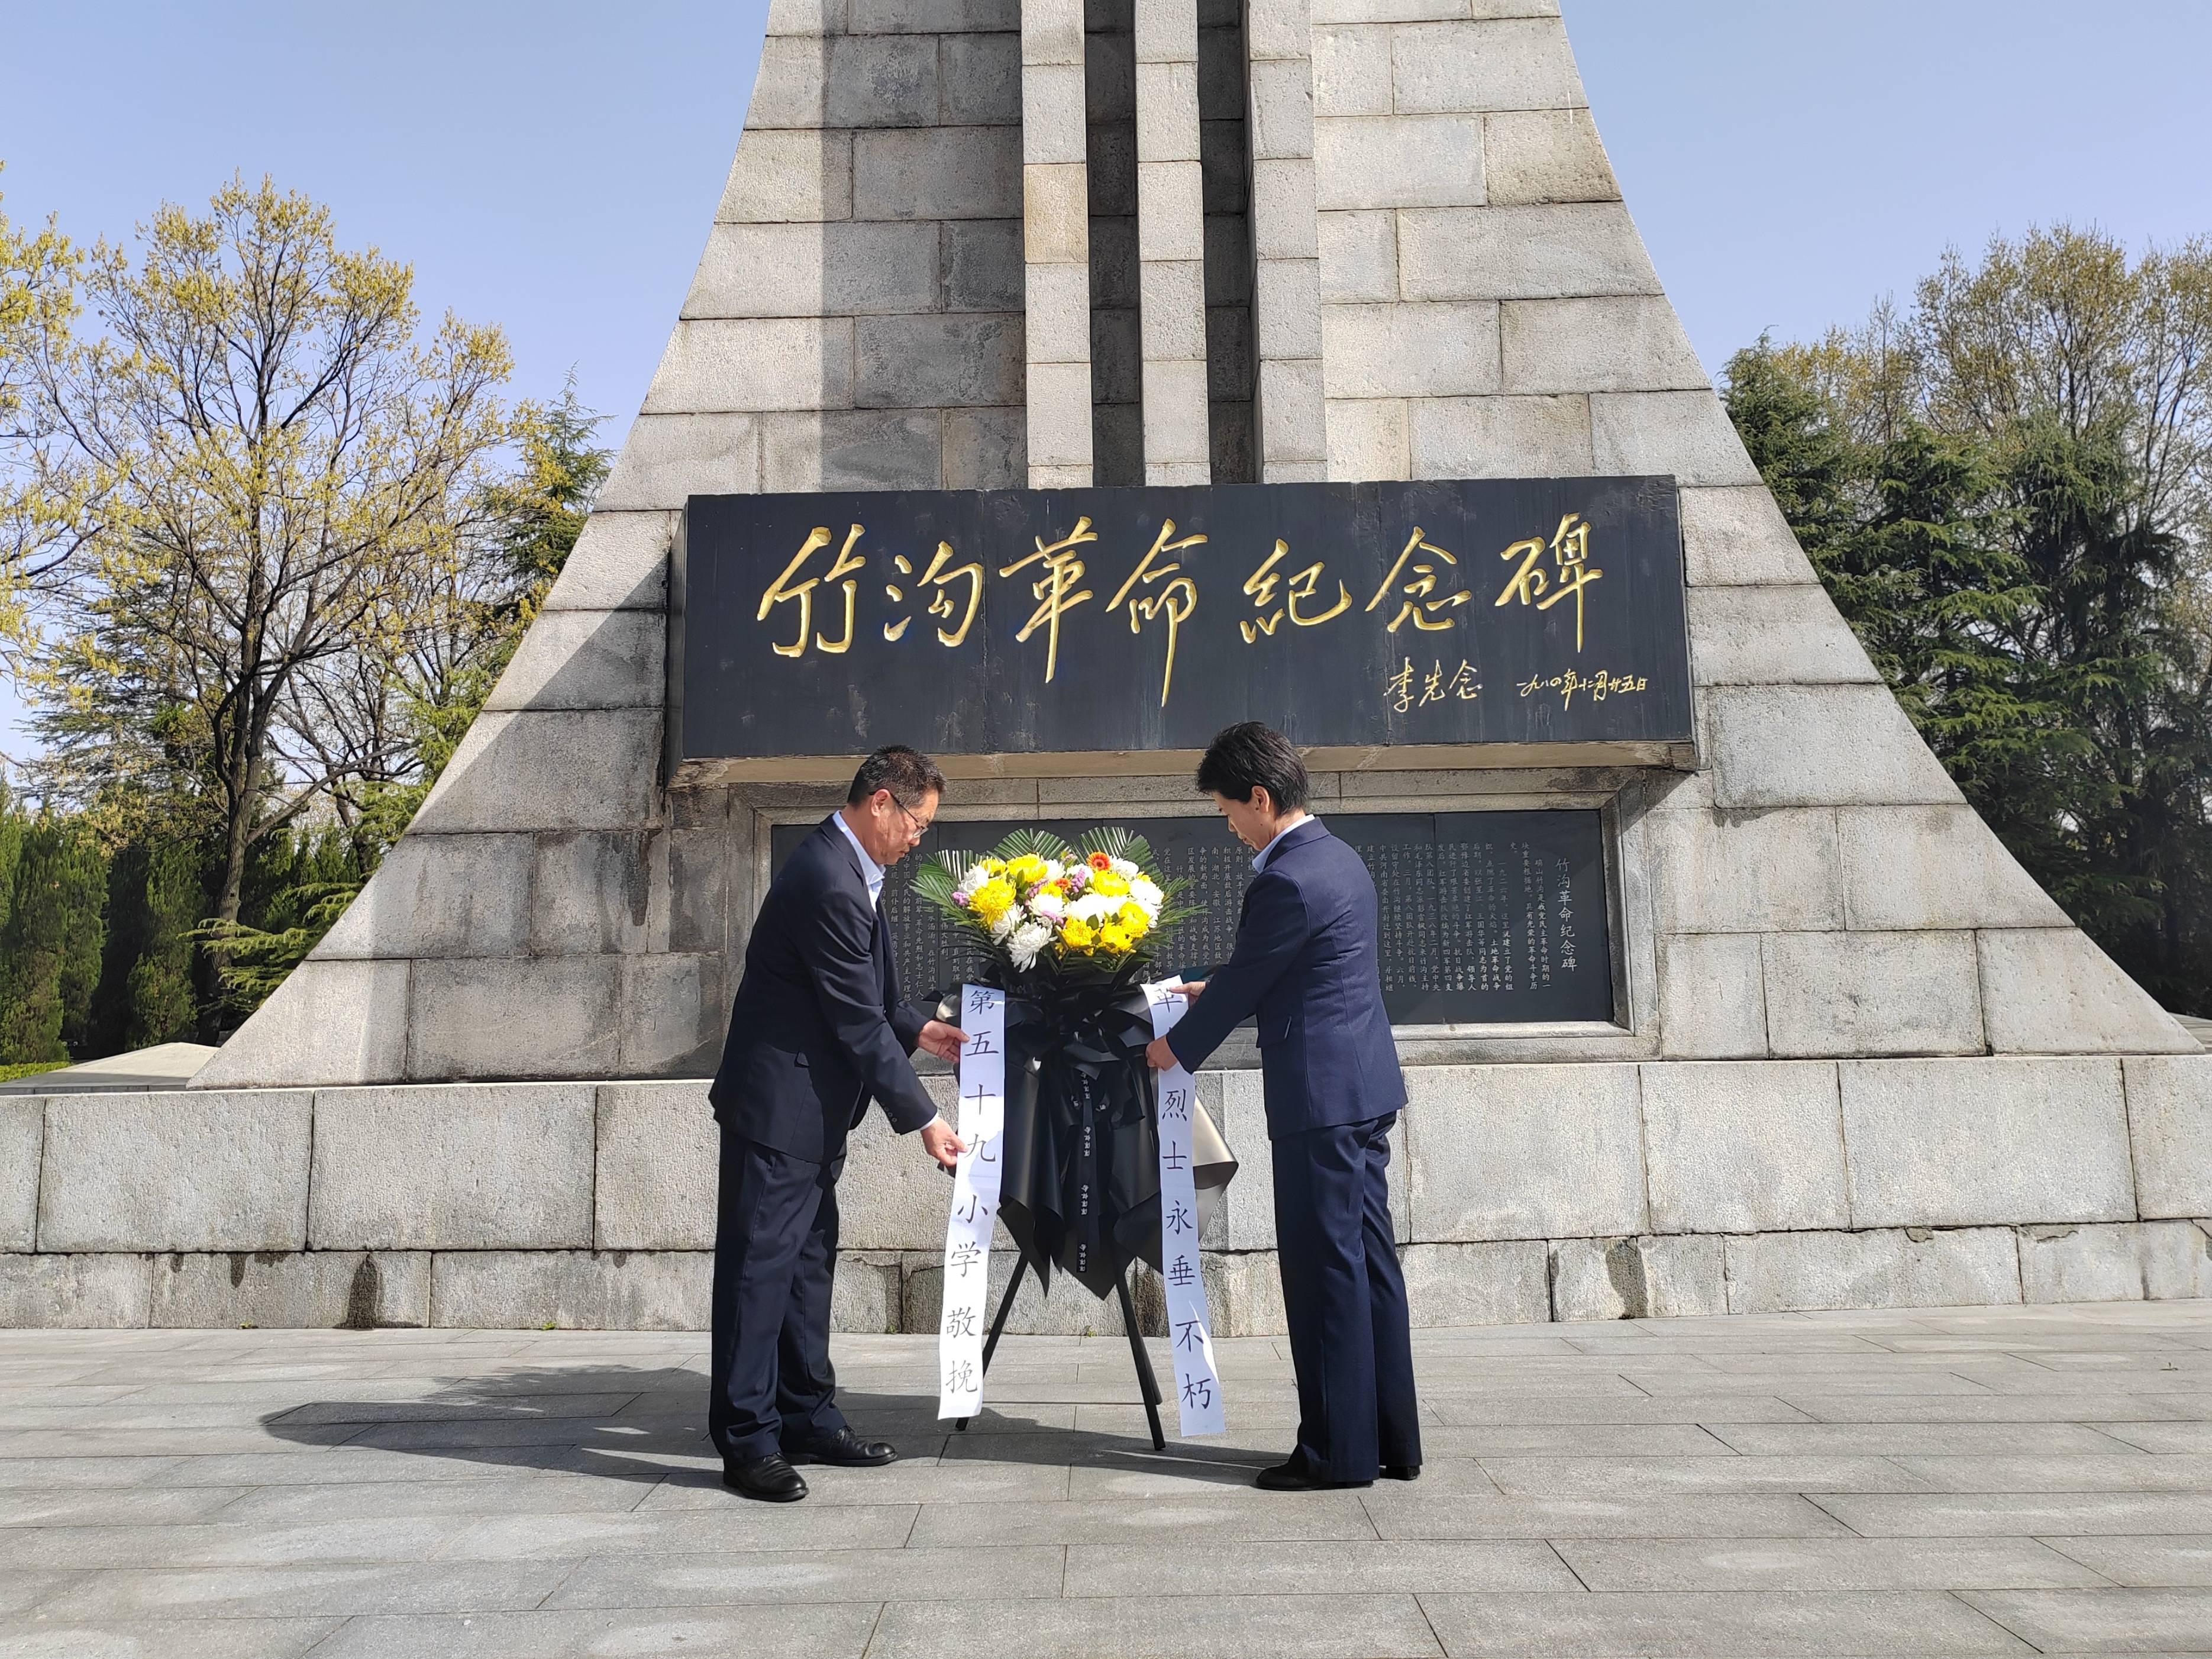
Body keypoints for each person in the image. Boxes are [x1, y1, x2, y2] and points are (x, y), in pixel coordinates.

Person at [1147, 722, 1420, 1490]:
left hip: (1318, 1099)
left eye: (1228, 810)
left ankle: (1334, 1454)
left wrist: (1176, 1046)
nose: (1228, 826)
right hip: (1362, 1089)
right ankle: (1391, 1439)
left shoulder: (1284, 878)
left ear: (1259, 798)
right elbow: (1279, 969)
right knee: (1367, 1264)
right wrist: (1217, 992)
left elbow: (1251, 977)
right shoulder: (1337, 859)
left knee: (1322, 1269)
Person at [708, 744, 968, 1502]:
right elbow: (855, 1021)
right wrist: (924, 1117)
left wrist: (923, 1029)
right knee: (760, 1273)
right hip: (778, 1109)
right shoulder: (829, 878)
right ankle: (748, 1440)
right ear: (881, 802)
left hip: (813, 1110)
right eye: (918, 823)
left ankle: (806, 1416)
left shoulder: (850, 866)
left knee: (806, 1267)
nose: (921, 837)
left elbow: (874, 996)